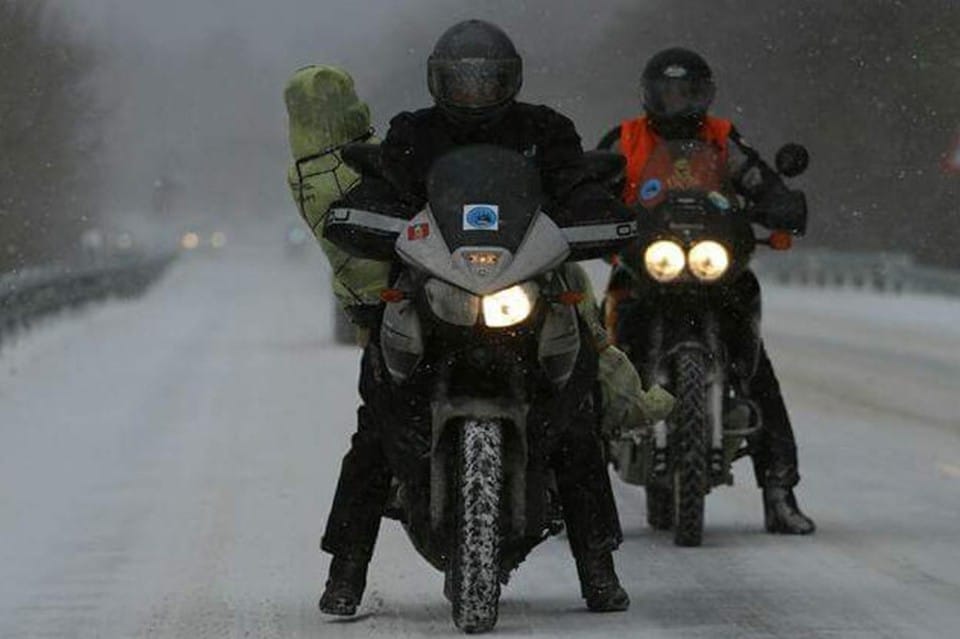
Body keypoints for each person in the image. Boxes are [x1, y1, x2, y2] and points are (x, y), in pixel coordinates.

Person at [314, 20, 673, 618]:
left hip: (525, 286)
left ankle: (598, 568)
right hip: (434, 288)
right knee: (377, 422)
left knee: (576, 418)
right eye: (463, 80)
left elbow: (577, 186)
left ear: (510, 81)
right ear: (439, 80)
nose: (475, 92)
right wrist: (364, 215)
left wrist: (604, 216)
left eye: (487, 81)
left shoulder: (545, 131)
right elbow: (384, 191)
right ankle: (346, 570)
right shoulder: (413, 134)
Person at [601, 47, 816, 535]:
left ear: (706, 94)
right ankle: (568, 496)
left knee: (757, 369)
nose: (678, 103)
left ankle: (779, 491)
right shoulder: (625, 140)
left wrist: (780, 204)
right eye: (668, 92)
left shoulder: (723, 139)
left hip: (714, 268)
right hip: (643, 267)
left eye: (688, 92)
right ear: (649, 95)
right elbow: (588, 183)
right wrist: (591, 211)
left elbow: (759, 179)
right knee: (589, 369)